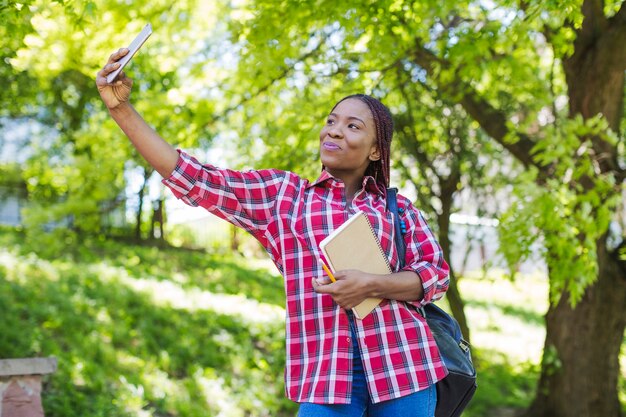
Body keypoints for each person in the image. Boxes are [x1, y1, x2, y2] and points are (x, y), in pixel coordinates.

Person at [96, 48, 450, 417]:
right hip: (326, 379)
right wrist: (120, 109)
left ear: (376, 151)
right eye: (331, 121)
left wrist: (371, 284)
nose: (334, 130)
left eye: (352, 126)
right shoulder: (284, 197)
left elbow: (436, 276)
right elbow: (194, 177)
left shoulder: (399, 210)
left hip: (405, 370)